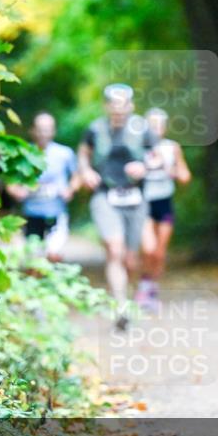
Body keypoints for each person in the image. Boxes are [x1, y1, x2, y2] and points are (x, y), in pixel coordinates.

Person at [77, 84, 154, 330]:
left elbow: (158, 155)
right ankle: (120, 306)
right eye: (114, 104)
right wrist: (86, 171)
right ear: (106, 106)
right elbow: (83, 153)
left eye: (124, 104)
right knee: (114, 249)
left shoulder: (142, 128)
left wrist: (145, 167)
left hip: (135, 197)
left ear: (131, 105)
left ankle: (125, 295)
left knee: (130, 259)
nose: (119, 109)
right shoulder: (95, 129)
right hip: (105, 195)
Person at [136, 108, 191, 309]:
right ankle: (143, 286)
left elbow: (185, 177)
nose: (155, 129)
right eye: (151, 124)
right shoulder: (138, 148)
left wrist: (172, 170)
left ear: (165, 128)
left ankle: (152, 290)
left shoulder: (172, 148)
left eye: (159, 125)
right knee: (148, 249)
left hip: (164, 203)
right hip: (143, 203)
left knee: (159, 252)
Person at [7, 112, 77, 262]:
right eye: (40, 129)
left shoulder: (64, 153)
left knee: (53, 253)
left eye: (47, 129)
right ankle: (35, 282)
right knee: (33, 257)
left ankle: (53, 281)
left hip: (56, 212)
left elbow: (77, 176)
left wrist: (70, 190)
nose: (43, 133)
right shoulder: (22, 154)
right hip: (31, 214)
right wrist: (17, 192)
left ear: (54, 131)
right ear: (32, 130)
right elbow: (10, 183)